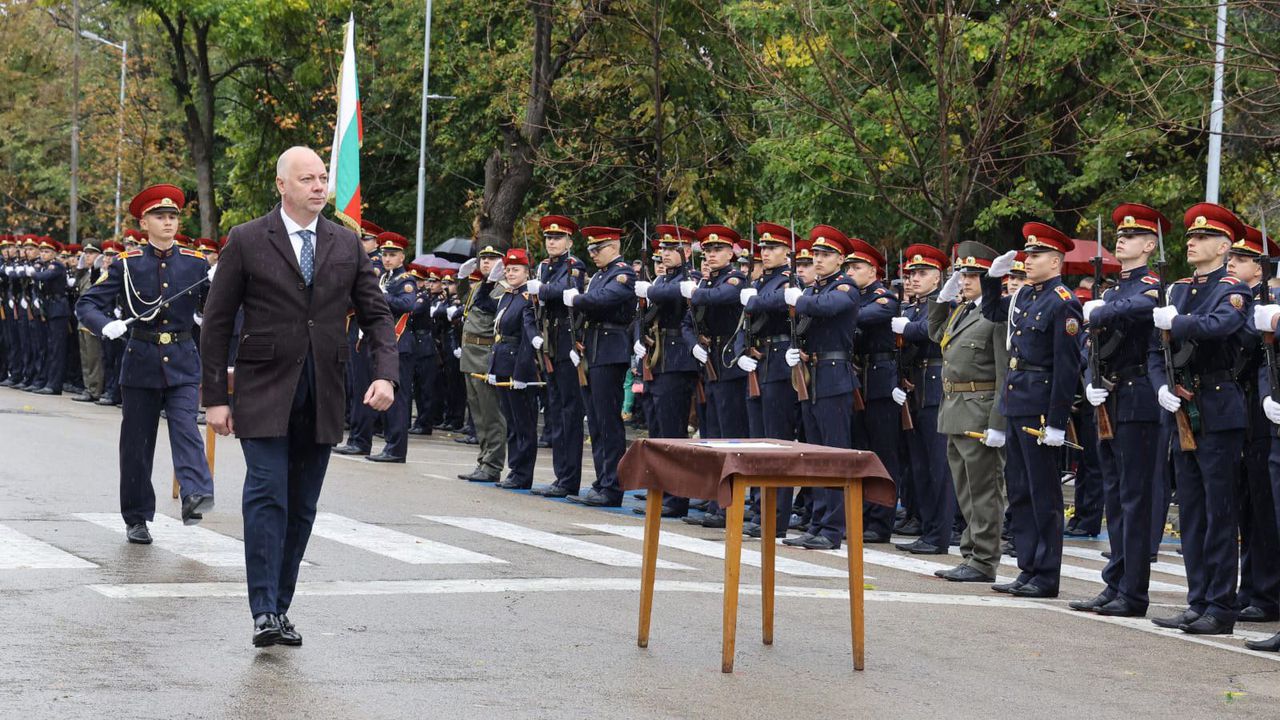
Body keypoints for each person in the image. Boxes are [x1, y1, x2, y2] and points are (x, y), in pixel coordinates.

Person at [200, 146, 397, 648]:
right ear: (281, 184)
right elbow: (217, 323)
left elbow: (377, 316)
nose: (318, 186)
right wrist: (216, 398)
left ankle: (280, 606)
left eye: (322, 178)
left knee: (301, 505)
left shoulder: (347, 245)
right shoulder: (246, 239)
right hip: (263, 390)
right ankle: (263, 610)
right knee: (267, 495)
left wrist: (386, 376)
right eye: (306, 178)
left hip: (324, 390)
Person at [76, 184, 216, 544]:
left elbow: (214, 307)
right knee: (137, 446)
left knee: (186, 426)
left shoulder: (196, 263)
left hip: (183, 361)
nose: (168, 222)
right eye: (160, 216)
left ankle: (195, 494)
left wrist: (220, 287)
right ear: (144, 222)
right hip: (141, 362)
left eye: (173, 216)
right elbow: (87, 304)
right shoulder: (128, 265)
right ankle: (136, 516)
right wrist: (105, 324)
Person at [1147, 203, 1251, 635]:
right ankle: (1197, 600)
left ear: (1225, 247)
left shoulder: (1232, 287)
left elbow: (1221, 325)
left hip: (1218, 409)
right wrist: (1162, 387)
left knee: (1218, 512)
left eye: (1203, 237)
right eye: (1191, 235)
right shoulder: (1180, 289)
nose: (1192, 241)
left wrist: (1181, 321)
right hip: (1182, 409)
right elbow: (1157, 351)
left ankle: (1220, 607)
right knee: (1190, 511)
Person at [1072, 203, 1167, 617]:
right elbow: (1087, 343)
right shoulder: (1110, 289)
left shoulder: (1150, 284)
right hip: (1108, 395)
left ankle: (1134, 591)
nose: (1121, 240)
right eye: (1119, 236)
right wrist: (1090, 380)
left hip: (1138, 396)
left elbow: (1143, 311)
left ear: (1149, 245)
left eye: (1131, 236)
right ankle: (1116, 581)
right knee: (1114, 493)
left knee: (1134, 495)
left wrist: (1101, 310)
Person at [982, 222, 1082, 598]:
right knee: (1020, 490)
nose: (1029, 259)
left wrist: (1057, 422)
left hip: (1041, 404)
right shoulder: (1025, 297)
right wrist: (994, 278)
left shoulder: (1063, 301)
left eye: (1037, 254)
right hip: (1018, 398)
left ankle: (1046, 574)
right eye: (1028, 253)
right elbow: (993, 310)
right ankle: (1027, 567)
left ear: (1056, 260)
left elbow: (1067, 366)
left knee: (1044, 495)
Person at [926, 242, 1008, 582]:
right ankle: (970, 554)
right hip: (956, 409)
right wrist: (940, 301)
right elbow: (936, 334)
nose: (965, 281)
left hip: (980, 409)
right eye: (962, 274)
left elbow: (1004, 371)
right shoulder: (962, 310)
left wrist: (998, 422)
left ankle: (984, 560)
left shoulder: (995, 313)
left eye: (973, 275)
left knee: (985, 490)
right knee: (965, 490)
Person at [782, 225, 859, 550]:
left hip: (833, 375)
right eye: (815, 254)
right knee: (814, 453)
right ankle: (816, 521)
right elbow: (804, 323)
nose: (819, 259)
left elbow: (826, 309)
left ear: (840, 258)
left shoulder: (846, 288)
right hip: (809, 374)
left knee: (834, 454)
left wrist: (799, 298)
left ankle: (832, 528)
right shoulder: (813, 290)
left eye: (826, 254)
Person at [1225, 223, 1280, 625]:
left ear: (1260, 270)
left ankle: (1265, 593)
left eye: (1240, 260)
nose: (1232, 264)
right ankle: (1250, 588)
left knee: (1264, 508)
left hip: (1264, 414)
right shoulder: (1239, 300)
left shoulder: (1269, 303)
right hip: (1241, 411)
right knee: (1246, 505)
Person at [737, 222, 802, 537]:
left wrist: (752, 299)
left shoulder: (790, 281)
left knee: (776, 443)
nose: (766, 253)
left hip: (778, 366)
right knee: (758, 442)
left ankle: (777, 517)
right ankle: (760, 509)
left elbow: (782, 303)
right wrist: (740, 354)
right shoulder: (760, 282)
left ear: (787, 251)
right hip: (757, 364)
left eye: (773, 248)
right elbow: (744, 324)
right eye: (763, 248)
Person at [564, 226, 636, 507]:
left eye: (599, 248)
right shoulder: (599, 276)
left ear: (615, 246)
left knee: (608, 422)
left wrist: (577, 299)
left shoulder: (623, 273)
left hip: (610, 349)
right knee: (594, 421)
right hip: (594, 348)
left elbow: (604, 300)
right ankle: (601, 480)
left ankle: (613, 486)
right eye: (591, 249)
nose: (593, 253)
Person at [632, 224, 701, 518]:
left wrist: (652, 289)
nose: (665, 253)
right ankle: (660, 489)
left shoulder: (690, 279)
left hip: (677, 359)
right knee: (658, 429)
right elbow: (643, 315)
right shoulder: (662, 279)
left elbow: (675, 296)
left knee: (673, 432)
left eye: (672, 249)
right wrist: (638, 339)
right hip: (658, 358)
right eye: (662, 249)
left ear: (686, 252)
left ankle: (677, 496)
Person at [892, 244, 954, 554]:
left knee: (937, 467)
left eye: (922, 273)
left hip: (936, 387)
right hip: (915, 387)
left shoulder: (945, 303)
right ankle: (927, 529)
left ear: (939, 277)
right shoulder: (913, 306)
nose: (914, 278)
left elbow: (935, 331)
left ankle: (939, 534)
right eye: (911, 273)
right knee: (919, 466)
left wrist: (909, 328)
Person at [843, 238, 903, 543]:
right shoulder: (854, 297)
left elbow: (864, 318)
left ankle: (881, 520)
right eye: (848, 267)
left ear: (873, 270)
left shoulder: (884, 297)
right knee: (860, 449)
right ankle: (861, 514)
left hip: (880, 380)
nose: (850, 272)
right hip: (858, 378)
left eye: (857, 267)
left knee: (882, 452)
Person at [527, 215, 588, 498]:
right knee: (555, 409)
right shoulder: (543, 267)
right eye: (549, 238)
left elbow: (567, 291)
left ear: (569, 241)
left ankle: (569, 478)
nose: (552, 242)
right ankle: (560, 475)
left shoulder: (573, 266)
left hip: (566, 342)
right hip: (549, 343)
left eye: (558, 238)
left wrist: (542, 290)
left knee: (569, 412)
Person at [489, 248, 540, 489]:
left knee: (524, 423)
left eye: (515, 269)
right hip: (503, 362)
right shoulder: (507, 296)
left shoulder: (528, 298)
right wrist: (492, 367)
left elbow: (527, 339)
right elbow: (498, 333)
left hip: (519, 366)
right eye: (507, 269)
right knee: (511, 421)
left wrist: (521, 373)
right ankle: (514, 469)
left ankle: (523, 473)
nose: (510, 273)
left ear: (527, 273)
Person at [455, 247, 508, 483]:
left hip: (486, 354)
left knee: (491, 416)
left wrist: (489, 284)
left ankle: (492, 465)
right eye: (483, 259)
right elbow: (467, 305)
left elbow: (489, 308)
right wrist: (462, 280)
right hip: (470, 354)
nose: (486, 263)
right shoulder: (480, 286)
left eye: (492, 259)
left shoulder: (502, 287)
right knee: (478, 415)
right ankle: (483, 460)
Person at [368, 232, 417, 463]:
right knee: (388, 397)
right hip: (388, 343)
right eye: (385, 254)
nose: (387, 259)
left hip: (401, 343)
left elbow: (408, 305)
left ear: (402, 257)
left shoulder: (405, 280)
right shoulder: (386, 279)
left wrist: (383, 297)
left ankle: (397, 448)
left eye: (392, 255)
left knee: (398, 398)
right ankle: (390, 444)